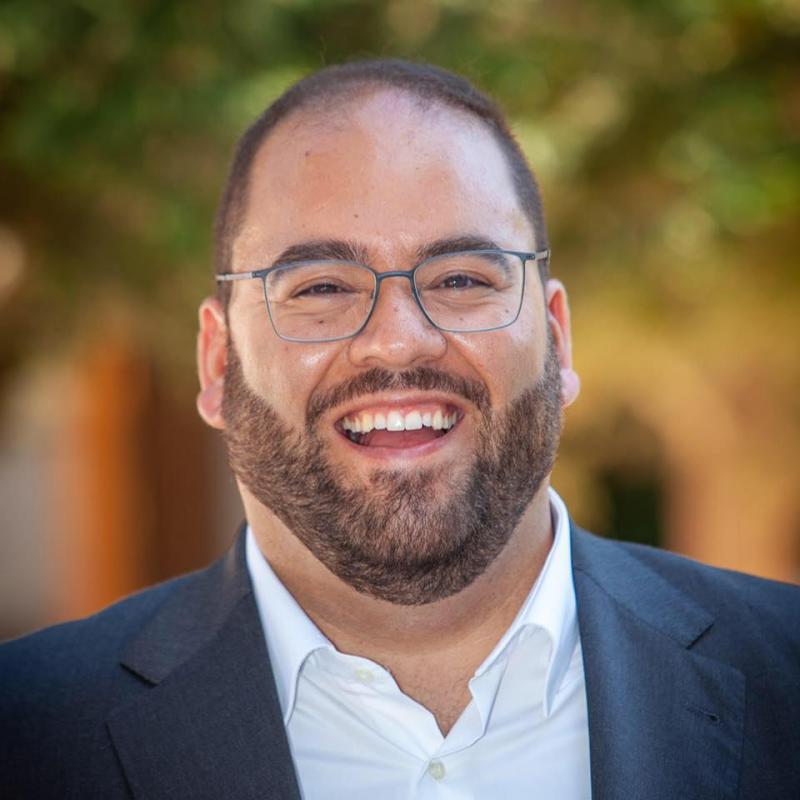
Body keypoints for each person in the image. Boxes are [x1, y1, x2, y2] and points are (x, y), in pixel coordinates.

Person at [1, 59, 798, 800]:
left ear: (557, 340)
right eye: (320, 287)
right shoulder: (27, 732)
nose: (398, 342)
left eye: (461, 278)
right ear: (217, 363)